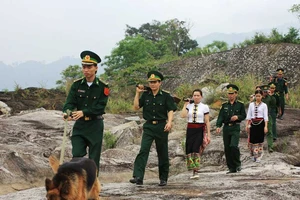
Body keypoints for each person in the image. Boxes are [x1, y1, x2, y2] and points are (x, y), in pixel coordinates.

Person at [62, 50, 109, 174]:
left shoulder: (103, 87)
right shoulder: (77, 85)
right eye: (84, 67)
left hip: (95, 126)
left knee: (93, 159)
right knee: (76, 155)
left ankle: (92, 186)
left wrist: (84, 112)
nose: (86, 69)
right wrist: (67, 112)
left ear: (96, 68)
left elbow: (100, 107)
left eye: (89, 67)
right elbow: (70, 102)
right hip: (80, 126)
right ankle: (77, 183)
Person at [129, 71, 177, 186]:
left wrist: (169, 122)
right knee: (143, 150)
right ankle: (138, 176)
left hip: (161, 126)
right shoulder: (146, 94)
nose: (152, 84)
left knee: (162, 152)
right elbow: (136, 107)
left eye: (155, 82)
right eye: (150, 82)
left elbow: (171, 110)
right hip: (149, 126)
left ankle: (163, 178)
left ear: (160, 83)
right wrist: (137, 94)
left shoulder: (166, 96)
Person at [180, 89, 211, 179]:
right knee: (189, 148)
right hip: (190, 129)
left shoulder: (204, 107)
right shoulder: (189, 106)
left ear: (201, 96)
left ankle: (196, 171)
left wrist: (208, 134)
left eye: (198, 95)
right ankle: (192, 169)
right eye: (195, 95)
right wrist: (185, 104)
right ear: (192, 96)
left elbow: (207, 121)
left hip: (199, 129)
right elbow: (183, 115)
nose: (196, 97)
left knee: (196, 148)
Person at [216, 84, 246, 174]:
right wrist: (218, 126)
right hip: (226, 128)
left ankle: (237, 164)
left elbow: (244, 115)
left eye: (232, 93)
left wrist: (237, 117)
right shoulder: (224, 105)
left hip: (235, 127)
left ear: (236, 94)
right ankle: (231, 168)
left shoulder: (240, 105)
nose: (230, 95)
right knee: (227, 148)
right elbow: (220, 116)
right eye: (229, 93)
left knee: (233, 146)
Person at [246, 90, 268, 162]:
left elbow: (265, 117)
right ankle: (253, 155)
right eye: (256, 96)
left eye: (259, 96)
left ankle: (259, 155)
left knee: (260, 139)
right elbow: (249, 115)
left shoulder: (264, 105)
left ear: (262, 96)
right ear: (255, 96)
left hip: (261, 123)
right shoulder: (251, 104)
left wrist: (265, 126)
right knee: (252, 139)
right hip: (253, 123)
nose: (258, 97)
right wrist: (247, 125)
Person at [261, 85, 276, 152]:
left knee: (269, 131)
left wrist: (271, 96)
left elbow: (274, 103)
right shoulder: (259, 97)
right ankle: (259, 146)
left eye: (266, 91)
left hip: (267, 116)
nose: (265, 93)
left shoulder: (269, 98)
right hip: (259, 117)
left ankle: (270, 146)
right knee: (259, 132)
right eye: (264, 91)